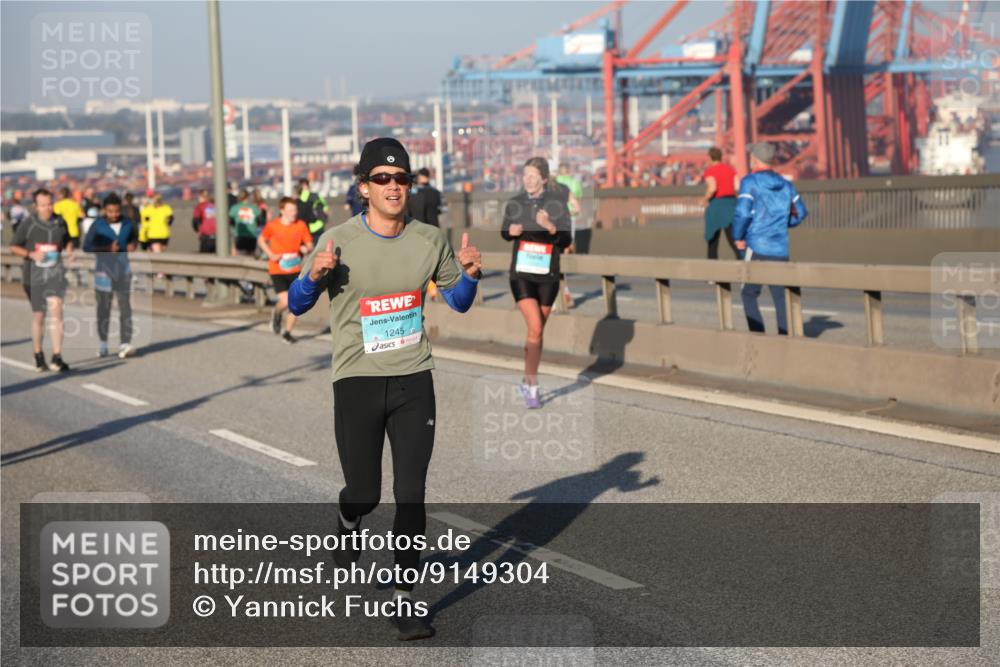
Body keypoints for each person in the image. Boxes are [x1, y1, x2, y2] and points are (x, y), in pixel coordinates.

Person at [287, 137, 481, 641]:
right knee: (366, 493)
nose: (394, 187)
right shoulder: (338, 238)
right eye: (382, 179)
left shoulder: (429, 239)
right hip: (357, 380)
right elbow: (297, 302)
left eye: (401, 179)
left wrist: (472, 278)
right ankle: (347, 519)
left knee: (411, 494)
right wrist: (312, 277)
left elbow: (458, 301)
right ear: (364, 188)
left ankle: (404, 598)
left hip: (414, 378)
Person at [501, 157, 573, 409]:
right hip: (521, 274)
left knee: (536, 332)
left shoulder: (557, 204)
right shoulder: (515, 203)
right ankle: (532, 386)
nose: (527, 180)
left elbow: (566, 239)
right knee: (535, 326)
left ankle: (526, 377)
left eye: (533, 176)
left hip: (548, 275)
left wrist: (551, 227)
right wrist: (510, 232)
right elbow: (504, 231)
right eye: (525, 175)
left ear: (544, 178)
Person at [733, 142, 809, 335]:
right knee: (780, 297)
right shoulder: (786, 185)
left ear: (756, 160)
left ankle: (758, 337)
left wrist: (738, 236)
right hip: (780, 248)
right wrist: (783, 225)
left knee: (749, 293)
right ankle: (784, 337)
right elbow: (801, 213)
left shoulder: (749, 182)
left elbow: (742, 213)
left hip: (756, 245)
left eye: (751, 157)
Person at [10, 188, 73, 372]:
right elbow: (14, 246)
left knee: (57, 308)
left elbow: (68, 240)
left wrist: (69, 249)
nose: (48, 208)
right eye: (44, 205)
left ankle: (57, 356)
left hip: (55, 274)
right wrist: (31, 254)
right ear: (36, 206)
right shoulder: (28, 223)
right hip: (33, 276)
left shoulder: (60, 221)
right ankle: (38, 354)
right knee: (39, 315)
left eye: (50, 204)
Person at [83, 193, 139, 358]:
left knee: (125, 307)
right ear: (104, 210)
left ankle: (125, 344)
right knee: (104, 309)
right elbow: (87, 246)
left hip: (123, 270)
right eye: (110, 212)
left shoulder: (128, 222)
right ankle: (103, 344)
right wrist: (107, 248)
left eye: (116, 211)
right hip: (103, 271)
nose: (113, 215)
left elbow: (135, 238)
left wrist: (132, 245)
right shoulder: (97, 225)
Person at [258, 197, 313, 343]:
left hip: (295, 269)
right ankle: (276, 313)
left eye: (295, 210)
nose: (293, 213)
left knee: (296, 302)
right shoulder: (273, 226)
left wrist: (306, 248)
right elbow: (261, 240)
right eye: (290, 210)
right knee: (285, 301)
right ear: (282, 211)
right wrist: (270, 254)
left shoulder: (300, 225)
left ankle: (287, 332)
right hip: (277, 269)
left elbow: (310, 244)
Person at [702, 147, 740, 260]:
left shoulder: (710, 171)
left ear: (709, 157)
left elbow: (712, 188)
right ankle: (743, 266)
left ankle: (712, 275)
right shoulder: (731, 170)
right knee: (733, 241)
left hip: (717, 207)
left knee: (713, 242)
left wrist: (703, 200)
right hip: (731, 205)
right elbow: (737, 187)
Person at [554, 162, 583, 308]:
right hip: (569, 221)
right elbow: (577, 206)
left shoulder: (555, 183)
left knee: (554, 260)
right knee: (563, 255)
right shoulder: (574, 183)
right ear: (569, 171)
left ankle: (563, 295)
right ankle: (565, 294)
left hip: (554, 223)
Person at [229, 189, 260, 256]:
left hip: (239, 235)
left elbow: (230, 219)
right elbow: (259, 218)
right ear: (248, 197)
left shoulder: (235, 208)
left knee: (238, 256)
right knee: (251, 256)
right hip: (252, 235)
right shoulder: (253, 208)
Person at [296, 177, 329, 243]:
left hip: (306, 226)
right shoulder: (316, 195)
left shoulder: (298, 198)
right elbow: (325, 206)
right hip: (317, 225)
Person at [192, 189, 218, 254]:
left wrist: (197, 230)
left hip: (205, 234)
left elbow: (195, 220)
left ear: (201, 197)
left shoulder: (200, 206)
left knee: (204, 256)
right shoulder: (215, 205)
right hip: (217, 234)